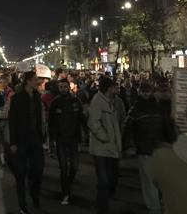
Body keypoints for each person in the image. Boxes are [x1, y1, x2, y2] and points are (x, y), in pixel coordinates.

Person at [123, 82, 176, 214]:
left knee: (149, 181)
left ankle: (155, 208)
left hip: (145, 149)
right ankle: (163, 204)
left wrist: (124, 147)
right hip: (161, 148)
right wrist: (172, 141)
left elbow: (127, 129)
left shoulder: (135, 109)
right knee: (162, 178)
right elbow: (168, 127)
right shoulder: (159, 108)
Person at [9, 71, 45, 214]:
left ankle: (34, 194)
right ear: (28, 81)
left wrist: (42, 135)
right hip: (21, 140)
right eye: (36, 79)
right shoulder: (17, 98)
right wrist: (13, 142)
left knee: (38, 170)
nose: (38, 82)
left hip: (35, 139)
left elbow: (39, 118)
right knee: (20, 173)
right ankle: (22, 204)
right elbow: (13, 121)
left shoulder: (37, 97)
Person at [88, 76, 123, 214]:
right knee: (104, 179)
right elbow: (93, 123)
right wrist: (105, 137)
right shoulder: (97, 102)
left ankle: (102, 202)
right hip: (101, 148)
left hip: (111, 146)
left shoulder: (114, 101)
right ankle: (102, 207)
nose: (117, 89)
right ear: (109, 88)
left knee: (109, 177)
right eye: (114, 87)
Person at [48, 78, 85, 205]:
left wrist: (84, 136)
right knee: (63, 168)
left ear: (69, 87)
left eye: (65, 86)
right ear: (58, 88)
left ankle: (68, 185)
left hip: (74, 138)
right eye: (61, 86)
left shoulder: (76, 101)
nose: (63, 89)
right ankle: (66, 193)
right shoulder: (55, 103)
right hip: (60, 139)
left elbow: (82, 119)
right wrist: (51, 139)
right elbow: (50, 123)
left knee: (74, 167)